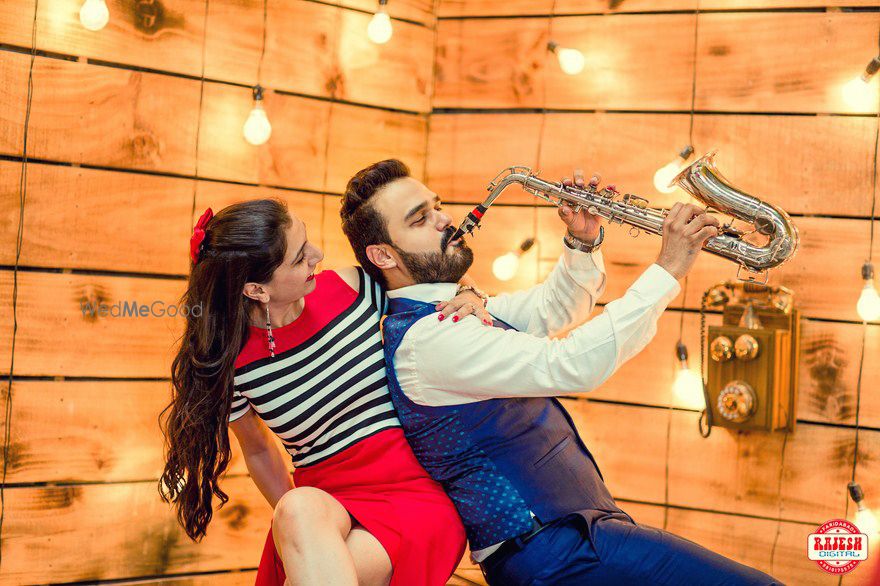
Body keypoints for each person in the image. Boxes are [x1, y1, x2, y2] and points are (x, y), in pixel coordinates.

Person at [338, 159, 782, 585]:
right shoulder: (432, 338)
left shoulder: (455, 310)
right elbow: (570, 364)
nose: (444, 220)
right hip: (551, 551)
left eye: (437, 206)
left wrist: (582, 241)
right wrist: (667, 269)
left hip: (570, 540)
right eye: (420, 219)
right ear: (383, 255)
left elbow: (553, 308)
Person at [158, 198, 499, 586]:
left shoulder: (357, 287)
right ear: (256, 289)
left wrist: (471, 294)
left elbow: (438, 281)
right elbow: (258, 450)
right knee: (296, 506)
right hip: (323, 505)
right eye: (300, 257)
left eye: (307, 241)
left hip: (413, 491)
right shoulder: (231, 362)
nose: (317, 255)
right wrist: (298, 536)